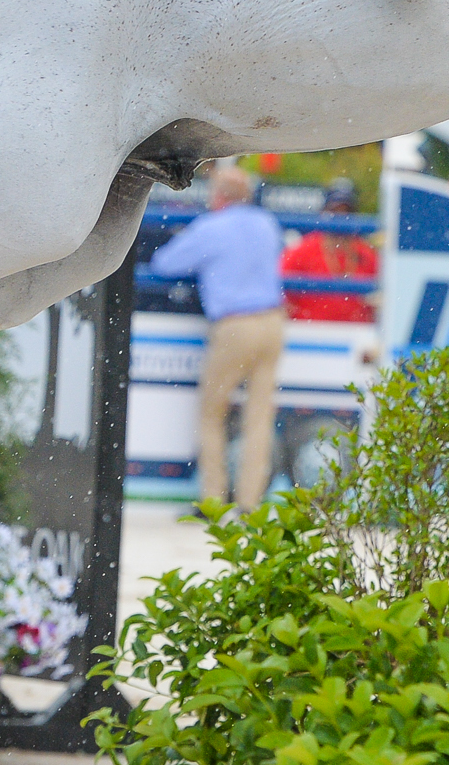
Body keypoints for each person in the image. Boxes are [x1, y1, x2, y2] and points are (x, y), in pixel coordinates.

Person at [148, 164, 288, 514]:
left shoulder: (212, 227)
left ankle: (213, 500)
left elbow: (164, 264)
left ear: (219, 196)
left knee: (212, 413)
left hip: (234, 325)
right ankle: (250, 504)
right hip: (273, 320)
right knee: (259, 418)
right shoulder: (266, 223)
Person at [279, 177, 379, 322]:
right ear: (324, 212)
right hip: (310, 334)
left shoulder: (368, 254)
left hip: (356, 336)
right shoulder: (301, 251)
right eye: (335, 211)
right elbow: (280, 295)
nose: (341, 217)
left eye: (347, 211)